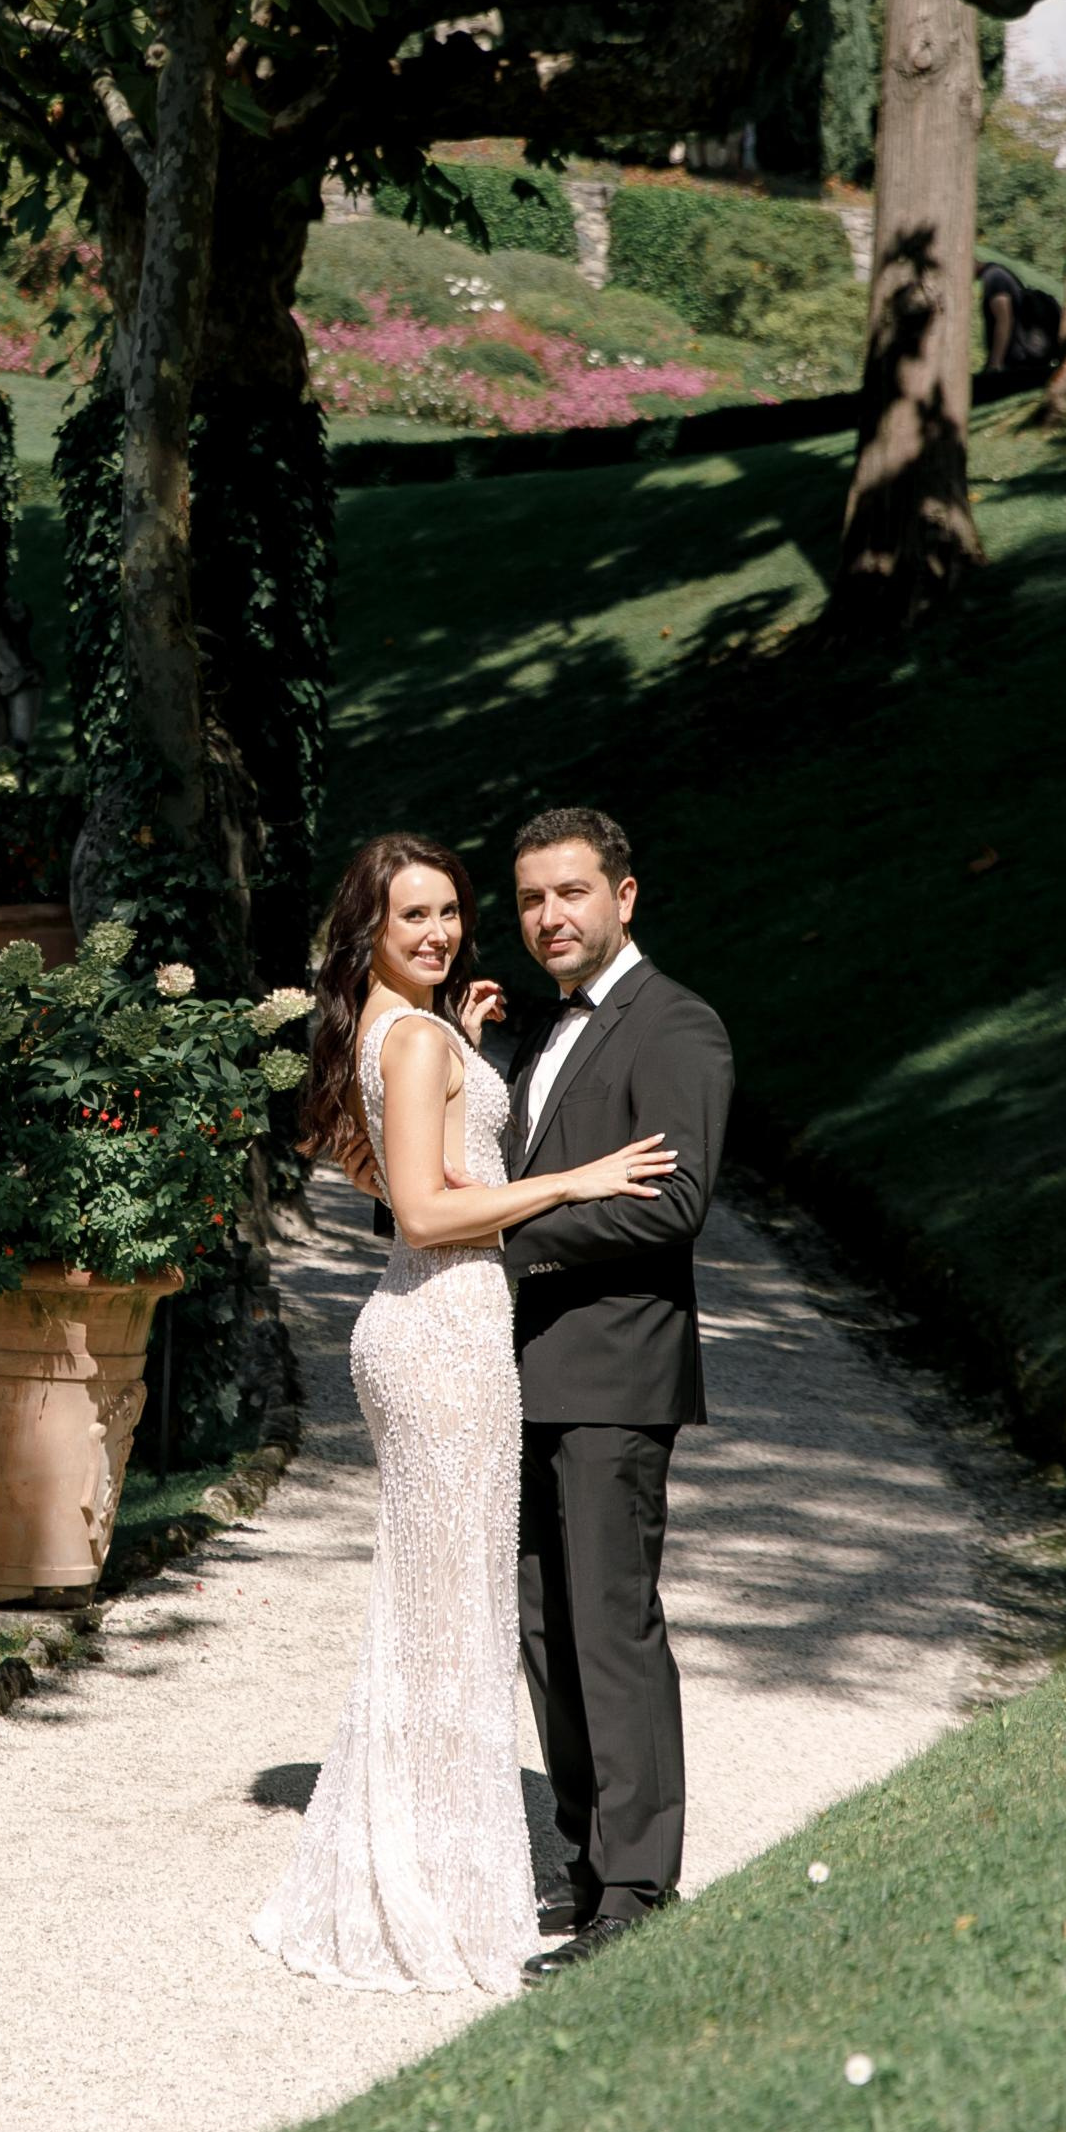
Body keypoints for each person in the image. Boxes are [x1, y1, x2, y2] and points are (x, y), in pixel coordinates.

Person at [252, 832, 677, 1995]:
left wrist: (465, 1057)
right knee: (454, 1609)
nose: (437, 933)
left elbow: (366, 1162)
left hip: (420, 1329)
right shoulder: (414, 1037)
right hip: (442, 1330)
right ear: (372, 934)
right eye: (411, 919)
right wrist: (567, 1180)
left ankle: (430, 1857)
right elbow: (431, 1215)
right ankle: (431, 1881)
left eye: (447, 912)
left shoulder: (397, 1034)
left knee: (438, 1603)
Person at [487, 807, 732, 1973]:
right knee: (544, 1629)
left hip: (612, 1378)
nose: (549, 917)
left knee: (608, 1627)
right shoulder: (539, 1033)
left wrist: (516, 1242)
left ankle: (636, 1888)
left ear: (623, 897)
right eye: (532, 898)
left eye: (570, 893)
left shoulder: (673, 1024)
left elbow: (670, 1202)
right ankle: (585, 1868)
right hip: (520, 1381)